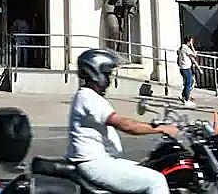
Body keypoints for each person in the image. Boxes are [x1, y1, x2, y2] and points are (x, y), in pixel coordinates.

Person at [67, 49, 177, 194]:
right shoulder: (88, 97)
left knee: (148, 168)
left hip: (102, 161)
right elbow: (125, 125)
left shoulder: (87, 96)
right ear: (95, 73)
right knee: (156, 181)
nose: (109, 79)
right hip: (95, 163)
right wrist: (161, 128)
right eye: (107, 74)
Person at [177, 35, 199, 108]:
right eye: (191, 41)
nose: (191, 43)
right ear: (188, 41)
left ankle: (183, 96)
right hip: (186, 68)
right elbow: (195, 55)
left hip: (182, 68)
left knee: (189, 82)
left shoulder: (181, 47)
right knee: (188, 83)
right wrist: (192, 46)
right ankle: (186, 100)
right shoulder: (186, 48)